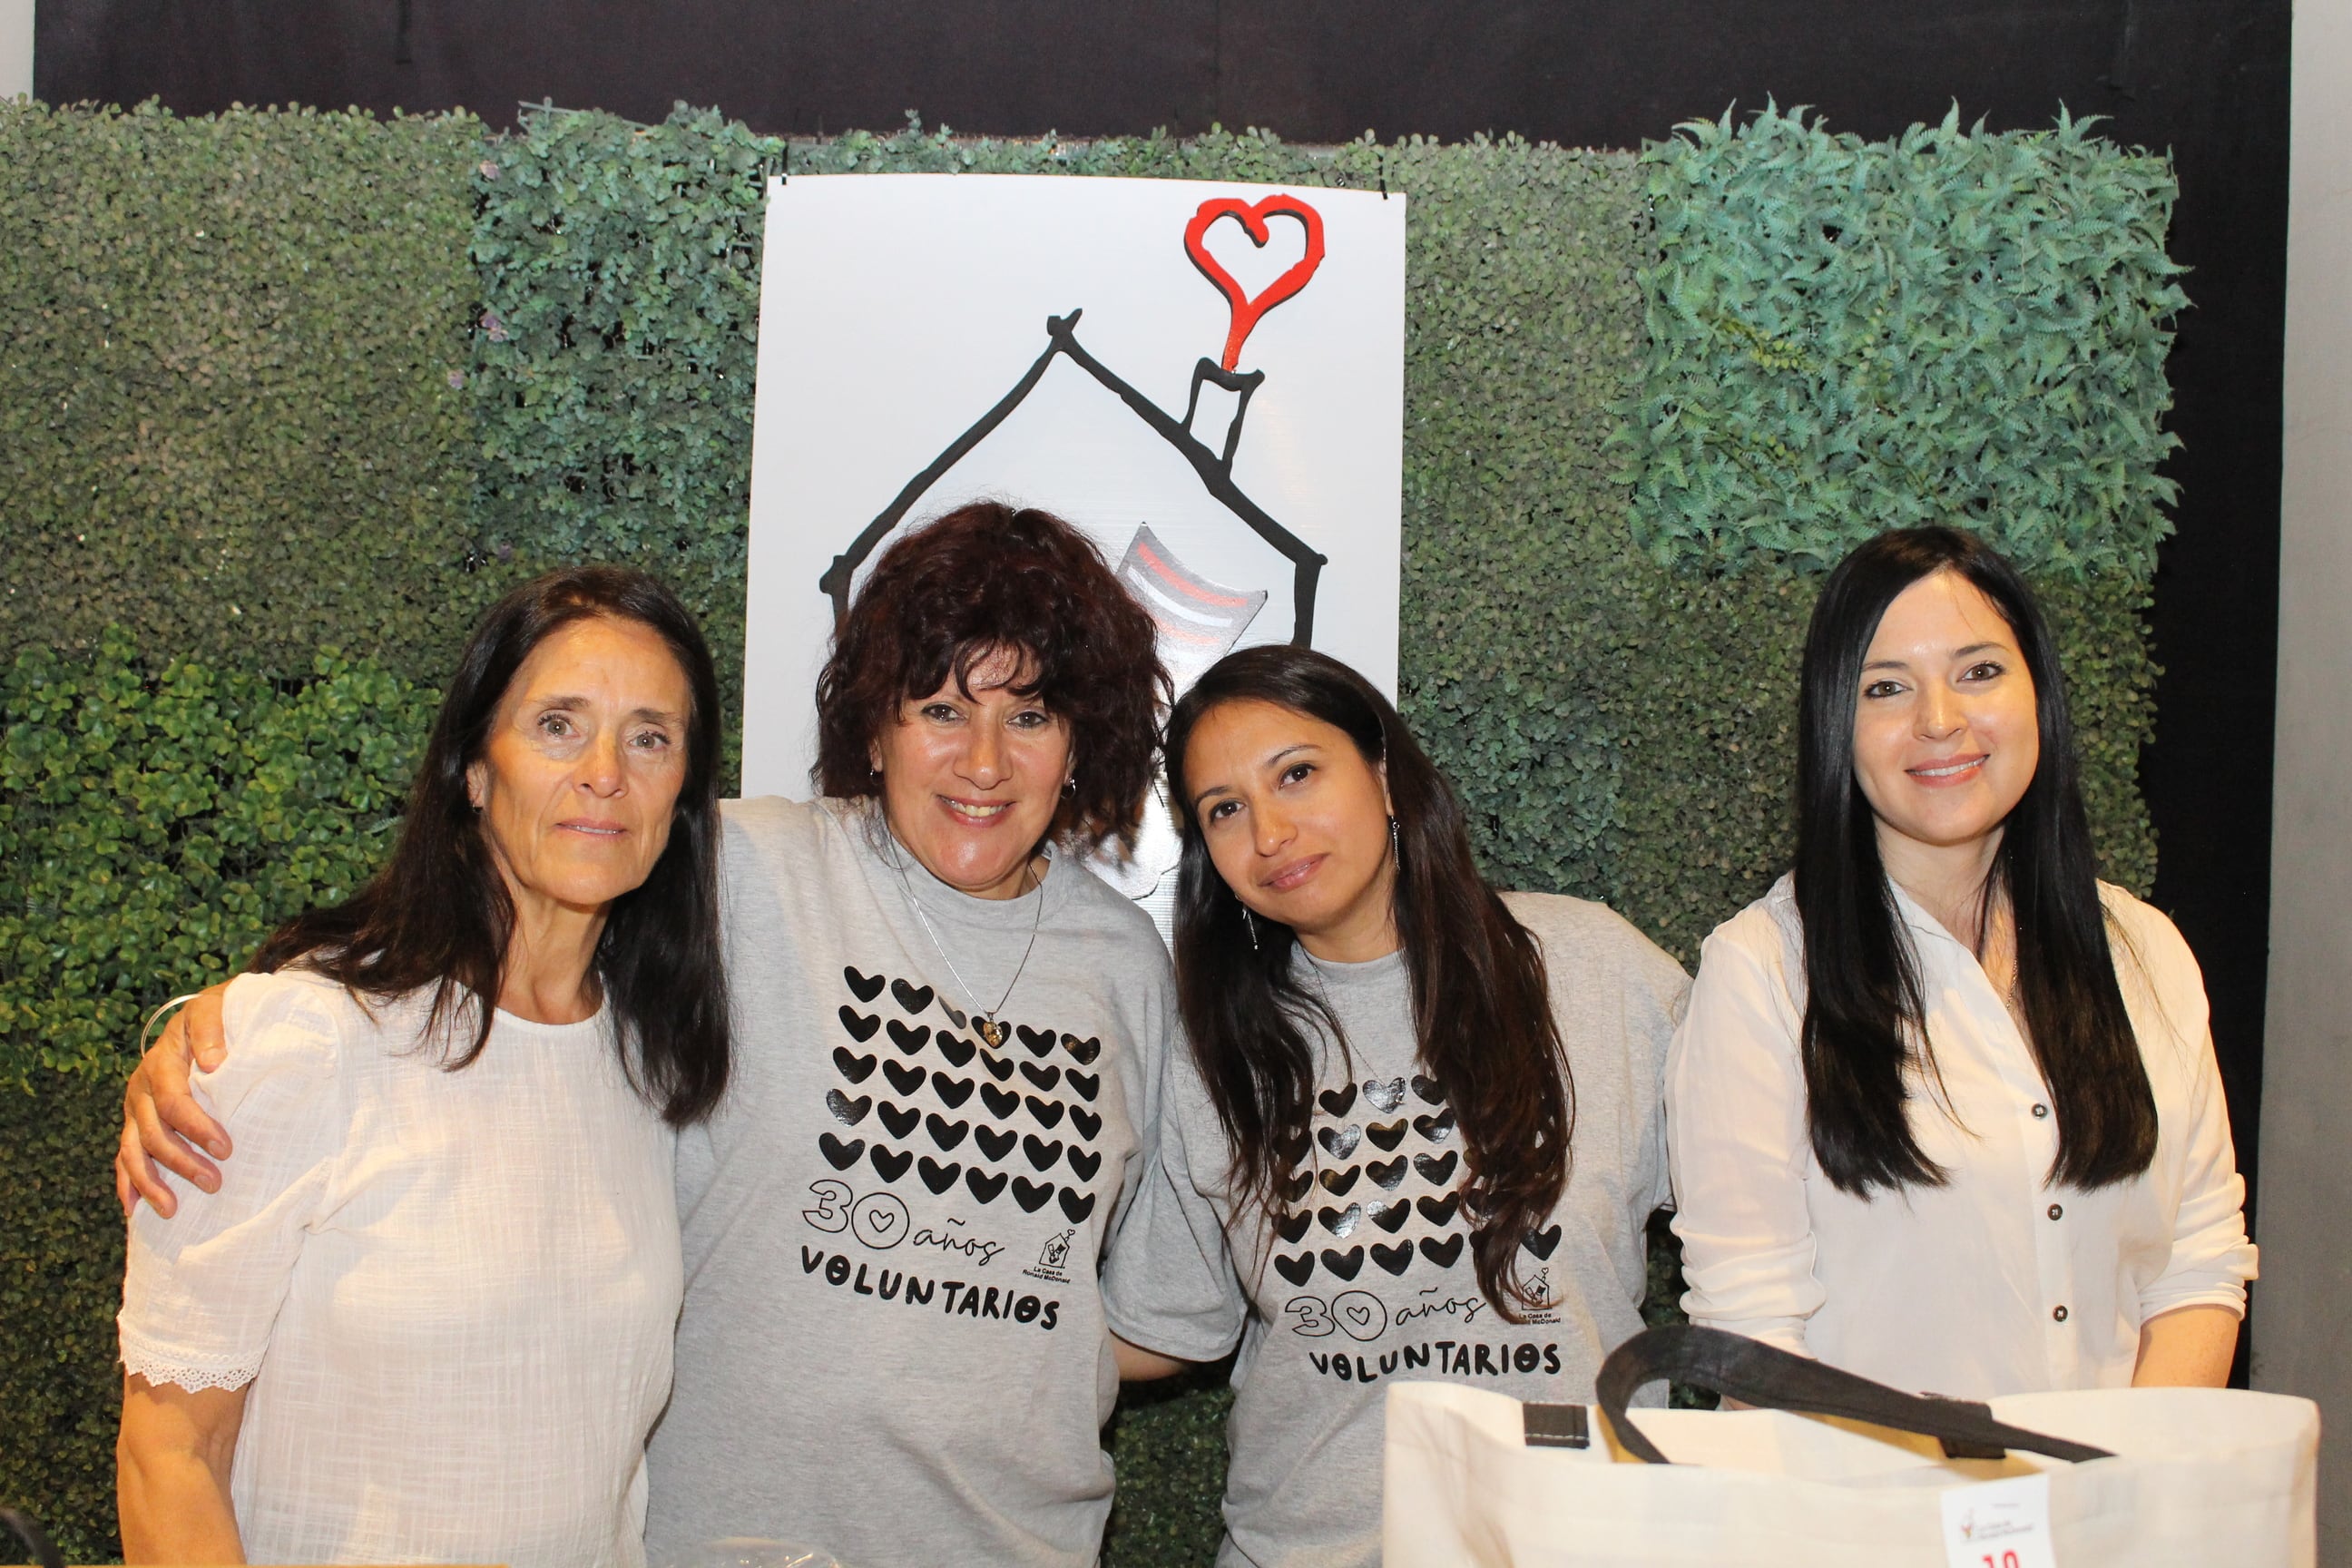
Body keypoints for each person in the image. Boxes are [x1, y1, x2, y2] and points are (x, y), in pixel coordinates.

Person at [119, 501, 1178, 1568]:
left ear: (1085, 735)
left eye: (1031, 717)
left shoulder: (1124, 965)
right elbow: (455, 946)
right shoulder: (740, 869)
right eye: (941, 708)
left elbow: (1136, 1296)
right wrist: (220, 1039)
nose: (984, 761)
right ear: (875, 723)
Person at [114, 566, 733, 1566]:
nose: (605, 773)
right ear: (474, 772)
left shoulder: (647, 1067)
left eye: (650, 737)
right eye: (558, 725)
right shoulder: (301, 1045)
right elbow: (169, 1455)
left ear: (683, 796)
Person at [1100, 644, 1690, 1568]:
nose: (1269, 832)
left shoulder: (1599, 973)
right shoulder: (1207, 1054)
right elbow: (1162, 1327)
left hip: (1584, 1543)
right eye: (1226, 809)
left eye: (1297, 774)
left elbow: (1768, 1234)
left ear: (1382, 774)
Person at [1665, 525, 2256, 1398]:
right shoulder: (1763, 974)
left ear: (2038, 696)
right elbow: (1753, 1332)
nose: (1940, 720)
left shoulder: (2143, 952)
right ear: (1838, 724)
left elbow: (2198, 1263)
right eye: (1886, 687)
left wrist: (2130, 1483)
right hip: (1872, 1521)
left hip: (2116, 1517)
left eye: (1979, 671)